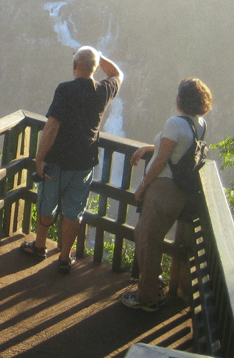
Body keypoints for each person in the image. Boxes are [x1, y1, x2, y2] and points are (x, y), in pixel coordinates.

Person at [21, 46, 123, 273]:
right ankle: (65, 258)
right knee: (74, 211)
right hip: (85, 162)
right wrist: (97, 54)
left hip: (57, 160)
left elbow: (52, 125)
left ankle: (39, 247)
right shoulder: (104, 89)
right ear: (96, 69)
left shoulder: (65, 90)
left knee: (47, 203)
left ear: (74, 67)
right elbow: (117, 74)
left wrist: (39, 159)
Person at [121, 78, 213, 312]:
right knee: (147, 236)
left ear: (181, 99)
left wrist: (142, 185)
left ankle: (148, 298)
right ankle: (155, 285)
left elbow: (163, 159)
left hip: (162, 189)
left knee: (147, 241)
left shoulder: (174, 123)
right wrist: (147, 148)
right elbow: (176, 149)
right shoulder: (198, 124)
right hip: (179, 194)